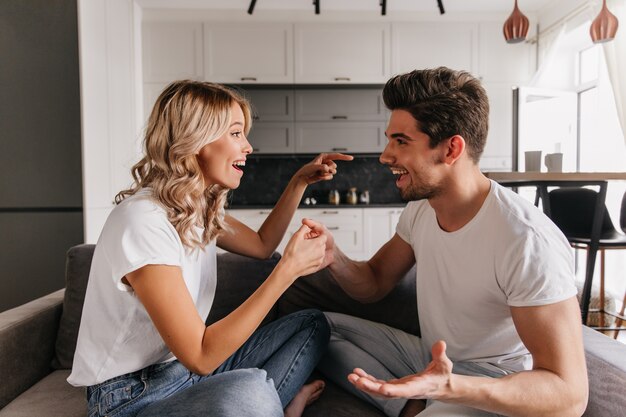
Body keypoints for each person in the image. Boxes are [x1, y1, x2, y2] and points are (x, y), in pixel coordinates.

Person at [303, 67, 589, 417]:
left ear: (452, 148)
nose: (385, 156)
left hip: (495, 382)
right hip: (432, 357)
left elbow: (569, 395)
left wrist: (450, 387)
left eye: (401, 141)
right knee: (318, 327)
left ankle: (425, 399)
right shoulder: (421, 211)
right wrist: (335, 257)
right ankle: (415, 401)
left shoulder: (525, 240)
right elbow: (374, 284)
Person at [68, 80, 353, 417]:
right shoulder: (143, 220)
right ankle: (277, 406)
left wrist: (298, 182)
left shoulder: (196, 210)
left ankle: (269, 404)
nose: (248, 146)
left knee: (313, 325)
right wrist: (287, 271)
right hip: (130, 397)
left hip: (183, 377)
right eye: (236, 133)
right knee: (250, 391)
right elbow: (201, 356)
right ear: (196, 139)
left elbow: (262, 245)